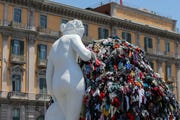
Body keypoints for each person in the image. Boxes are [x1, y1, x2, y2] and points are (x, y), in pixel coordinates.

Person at [45, 19, 92, 120]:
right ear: (77, 31)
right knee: (72, 117)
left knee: (65, 116)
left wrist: (52, 93)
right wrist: (91, 53)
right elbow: (85, 56)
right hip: (73, 81)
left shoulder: (54, 45)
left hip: (56, 85)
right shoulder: (73, 37)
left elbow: (48, 73)